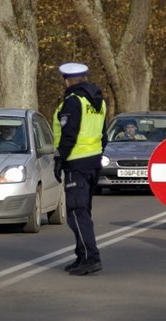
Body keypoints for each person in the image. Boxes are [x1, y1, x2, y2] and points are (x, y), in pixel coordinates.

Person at [53, 62, 107, 275]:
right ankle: (82, 256)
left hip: (76, 163)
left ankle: (91, 258)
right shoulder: (98, 101)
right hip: (92, 163)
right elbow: (104, 134)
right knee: (83, 212)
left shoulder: (72, 101)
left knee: (76, 212)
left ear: (66, 80)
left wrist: (60, 160)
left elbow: (69, 135)